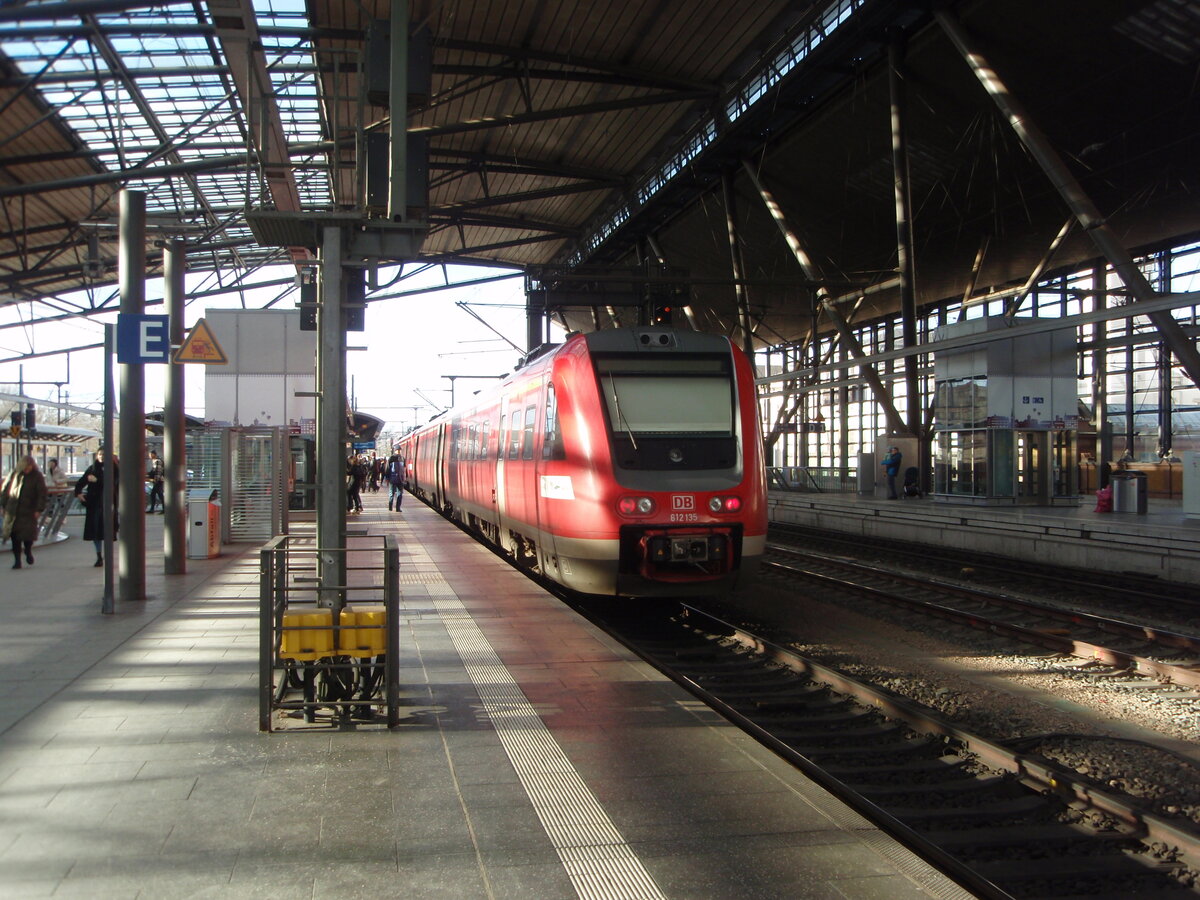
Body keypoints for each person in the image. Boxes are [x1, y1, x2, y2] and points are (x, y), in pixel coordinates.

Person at [1, 455, 48, 569]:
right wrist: (2, 506)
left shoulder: (37, 476)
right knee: (14, 536)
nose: (28, 469)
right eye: (26, 467)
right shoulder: (14, 474)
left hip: (29, 510)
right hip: (13, 510)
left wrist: (39, 509)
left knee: (28, 536)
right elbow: (5, 490)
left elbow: (42, 493)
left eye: (30, 466)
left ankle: (27, 551)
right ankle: (17, 561)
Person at [75, 448, 119, 567]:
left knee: (108, 531)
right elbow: (80, 483)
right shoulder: (92, 468)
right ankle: (99, 555)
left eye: (104, 454)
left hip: (108, 503)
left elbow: (114, 484)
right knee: (95, 532)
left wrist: (97, 480)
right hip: (94, 504)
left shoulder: (113, 468)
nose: (102, 457)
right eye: (100, 454)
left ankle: (107, 554)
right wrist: (78, 493)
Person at [146, 449, 165, 513]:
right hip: (158, 480)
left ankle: (162, 509)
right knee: (155, 494)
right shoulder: (155, 461)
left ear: (154, 454)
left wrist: (155, 480)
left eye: (150, 454)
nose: (149, 456)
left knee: (159, 494)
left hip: (158, 481)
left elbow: (158, 472)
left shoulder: (158, 461)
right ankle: (153, 509)